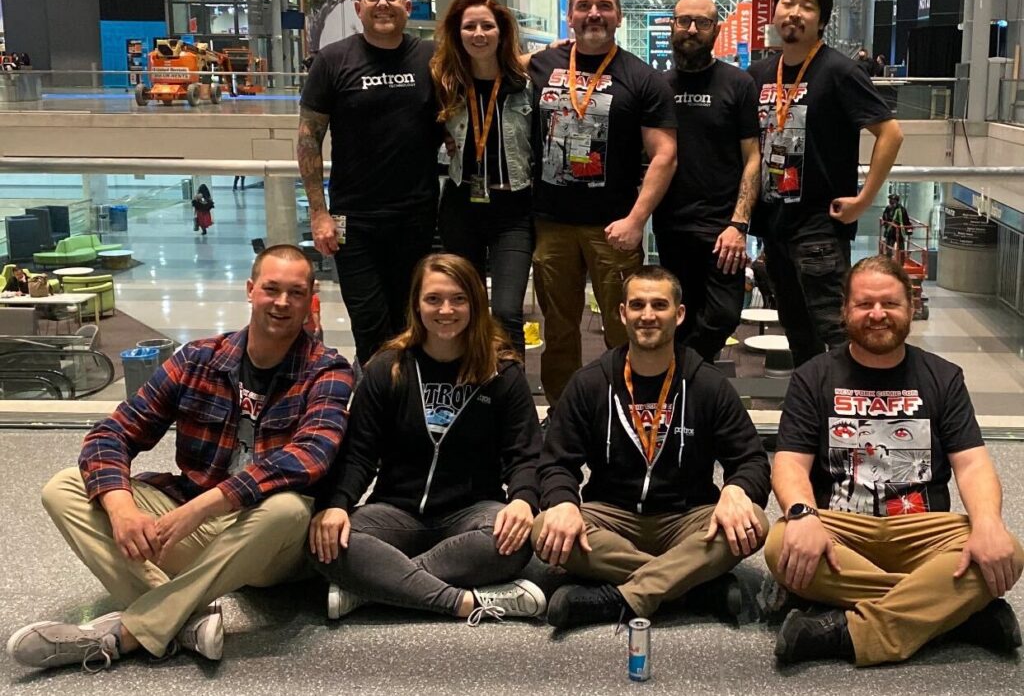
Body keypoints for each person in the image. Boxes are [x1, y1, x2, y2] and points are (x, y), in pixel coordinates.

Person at [6, 245, 354, 671]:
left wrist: (201, 508)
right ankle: (180, 618)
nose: (282, 302)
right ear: (250, 290)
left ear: (310, 298)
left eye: (295, 293)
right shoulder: (198, 359)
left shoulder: (328, 370)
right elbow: (112, 432)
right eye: (271, 289)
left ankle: (128, 633)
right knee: (64, 487)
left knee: (288, 508)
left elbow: (310, 457)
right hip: (193, 525)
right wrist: (120, 508)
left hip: (266, 545)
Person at [765, 255, 1023, 666]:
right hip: (841, 529)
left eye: (890, 304)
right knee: (781, 543)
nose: (878, 314)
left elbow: (972, 465)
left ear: (910, 308)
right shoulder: (813, 376)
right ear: (845, 310)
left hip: (921, 531)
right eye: (865, 304)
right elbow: (790, 464)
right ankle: (950, 614)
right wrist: (801, 514)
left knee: (1005, 548)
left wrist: (988, 524)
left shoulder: (943, 376)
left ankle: (843, 631)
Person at [308, 253, 546, 623]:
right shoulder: (389, 367)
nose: (445, 310)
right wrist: (338, 503)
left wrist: (523, 501)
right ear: (417, 305)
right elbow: (359, 453)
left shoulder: (501, 373)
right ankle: (462, 602)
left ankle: (374, 587)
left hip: (472, 515)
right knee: (327, 539)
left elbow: (525, 455)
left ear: (475, 304)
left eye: (458, 299)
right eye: (433, 299)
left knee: (515, 540)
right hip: (396, 513)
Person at [531, 265, 771, 628]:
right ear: (622, 312)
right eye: (637, 305)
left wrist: (737, 489)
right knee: (544, 526)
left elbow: (751, 460)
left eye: (659, 305)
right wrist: (563, 502)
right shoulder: (590, 383)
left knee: (754, 522)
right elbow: (555, 463)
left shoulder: (707, 384)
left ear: (679, 314)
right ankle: (691, 586)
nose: (647, 315)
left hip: (687, 519)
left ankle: (623, 596)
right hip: (612, 517)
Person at [527, 0, 677, 407]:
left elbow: (664, 154)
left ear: (619, 15)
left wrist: (637, 219)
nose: (594, 13)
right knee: (558, 330)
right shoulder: (541, 65)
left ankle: (622, 409)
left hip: (615, 227)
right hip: (552, 225)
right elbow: (486, 60)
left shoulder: (642, 77)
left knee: (625, 328)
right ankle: (562, 412)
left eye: (604, 6)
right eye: (584, 6)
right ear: (569, 15)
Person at [747, 0, 903, 369]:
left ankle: (848, 418)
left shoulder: (838, 71)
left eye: (807, 6)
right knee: (797, 333)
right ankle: (811, 416)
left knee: (836, 332)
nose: (795, 12)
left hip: (819, 226)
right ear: (775, 12)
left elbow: (890, 134)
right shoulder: (761, 75)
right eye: (788, 3)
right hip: (775, 227)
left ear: (821, 20)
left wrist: (864, 200)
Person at [299, 0, 443, 368]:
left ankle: (409, 405)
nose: (383, 4)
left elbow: (485, 71)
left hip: (416, 216)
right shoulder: (331, 61)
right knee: (369, 322)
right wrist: (318, 212)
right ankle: (379, 406)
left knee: (413, 319)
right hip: (353, 220)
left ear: (407, 6)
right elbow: (309, 137)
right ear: (359, 7)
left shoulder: (431, 58)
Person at [654, 0, 761, 362]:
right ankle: (690, 395)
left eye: (702, 22)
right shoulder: (658, 87)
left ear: (716, 29)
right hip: (671, 227)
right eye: (684, 21)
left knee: (723, 316)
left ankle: (687, 372)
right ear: (673, 26)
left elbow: (753, 158)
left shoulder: (738, 83)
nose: (692, 30)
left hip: (722, 231)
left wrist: (739, 223)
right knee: (678, 319)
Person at [431, 0, 534, 356]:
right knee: (464, 309)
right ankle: (468, 388)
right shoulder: (445, 84)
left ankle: (512, 401)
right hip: (461, 208)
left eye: (487, 26)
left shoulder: (526, 84)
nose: (479, 33)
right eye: (469, 26)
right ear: (457, 33)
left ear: (501, 32)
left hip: (513, 210)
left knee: (507, 311)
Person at [880, 191, 912, 259]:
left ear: (896, 201)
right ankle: (888, 261)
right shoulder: (888, 208)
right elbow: (884, 217)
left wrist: (909, 229)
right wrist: (885, 223)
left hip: (899, 232)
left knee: (900, 249)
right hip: (890, 232)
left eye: (892, 200)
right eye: (890, 200)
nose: (890, 201)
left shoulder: (902, 209)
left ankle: (901, 262)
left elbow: (906, 220)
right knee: (889, 248)